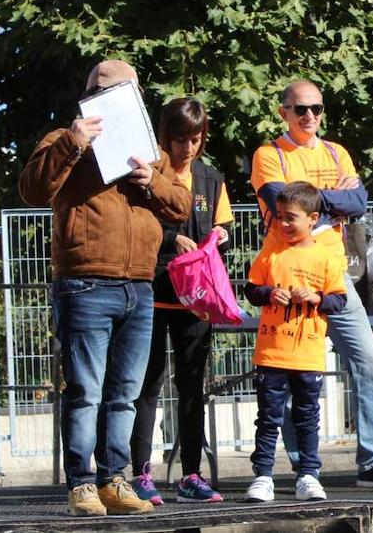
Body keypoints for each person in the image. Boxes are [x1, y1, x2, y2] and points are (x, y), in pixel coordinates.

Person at [19, 60, 191, 517]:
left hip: (138, 283)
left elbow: (182, 205)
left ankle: (116, 479)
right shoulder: (63, 138)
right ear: (86, 95)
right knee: (85, 391)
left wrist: (150, 179)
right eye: (100, 90)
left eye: (121, 91)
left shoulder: (150, 150)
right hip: (84, 282)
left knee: (125, 394)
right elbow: (33, 189)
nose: (109, 98)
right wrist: (76, 142)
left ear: (136, 96)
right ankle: (81, 484)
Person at [249, 79, 373, 488]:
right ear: (283, 112)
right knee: (289, 375)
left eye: (317, 108)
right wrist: (330, 198)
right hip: (286, 278)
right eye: (300, 109)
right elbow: (280, 200)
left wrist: (310, 200)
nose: (310, 116)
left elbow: (358, 203)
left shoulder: (336, 152)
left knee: (368, 363)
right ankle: (302, 466)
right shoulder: (269, 154)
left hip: (333, 276)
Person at [129, 98, 232, 505]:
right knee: (146, 388)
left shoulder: (211, 177)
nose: (188, 147)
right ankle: (140, 475)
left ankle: (192, 474)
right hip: (152, 295)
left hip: (197, 300)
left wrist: (218, 236)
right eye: (180, 139)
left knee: (192, 389)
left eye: (196, 138)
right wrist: (172, 240)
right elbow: (137, 224)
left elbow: (222, 223)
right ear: (164, 137)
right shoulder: (146, 172)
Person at [242, 182, 348, 502]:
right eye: (279, 217)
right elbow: (251, 290)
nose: (283, 224)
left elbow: (339, 301)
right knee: (269, 418)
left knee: (307, 417)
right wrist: (269, 293)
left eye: (291, 218)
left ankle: (309, 475)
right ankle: (263, 476)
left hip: (308, 354)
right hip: (272, 352)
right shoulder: (271, 252)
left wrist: (316, 297)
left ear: (313, 218)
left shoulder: (326, 256)